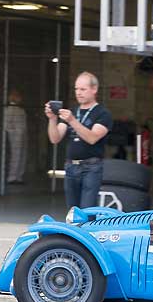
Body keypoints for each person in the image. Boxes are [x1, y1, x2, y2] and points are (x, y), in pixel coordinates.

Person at [45, 71, 113, 210]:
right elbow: (55, 138)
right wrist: (52, 119)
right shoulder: (73, 111)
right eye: (76, 89)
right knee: (73, 210)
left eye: (83, 89)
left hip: (91, 167)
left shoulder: (102, 113)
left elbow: (92, 138)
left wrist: (72, 120)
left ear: (94, 90)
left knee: (87, 210)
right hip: (71, 166)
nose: (79, 93)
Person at [4, 89, 28, 185]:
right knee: (15, 155)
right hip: (15, 135)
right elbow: (7, 125)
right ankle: (12, 177)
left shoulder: (21, 110)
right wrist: (14, 132)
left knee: (22, 155)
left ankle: (19, 176)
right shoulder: (9, 109)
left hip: (23, 134)